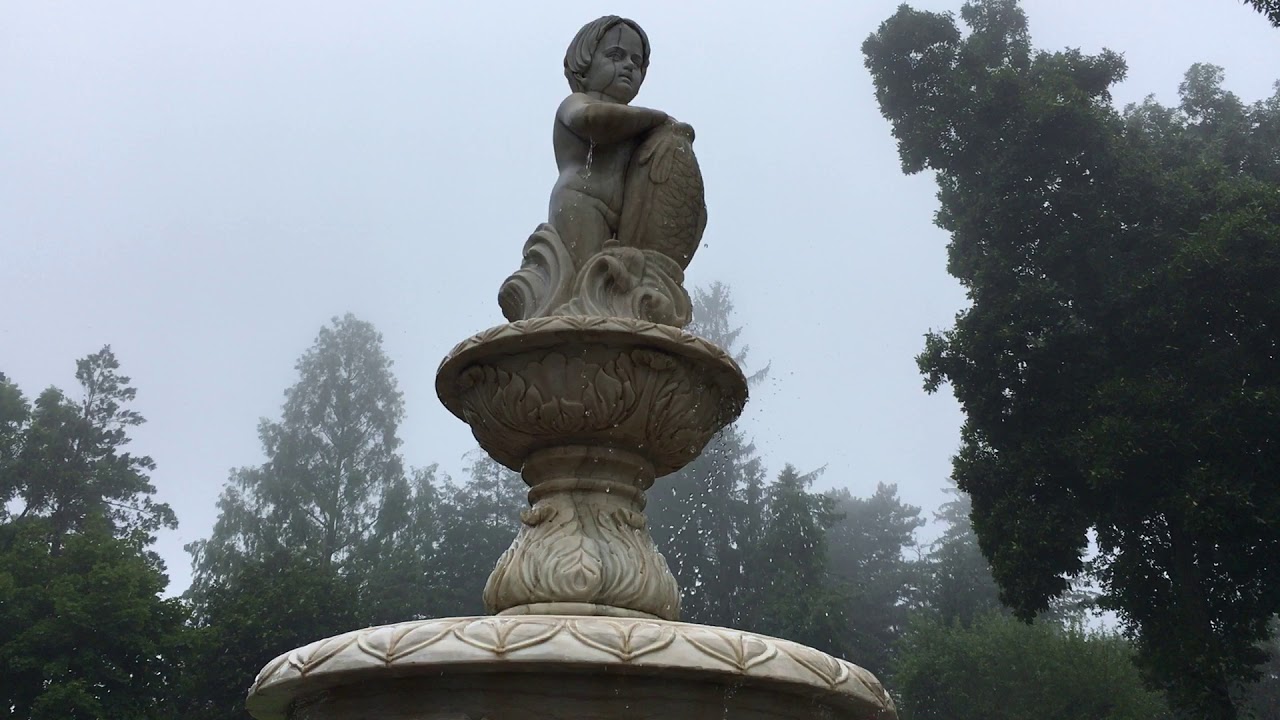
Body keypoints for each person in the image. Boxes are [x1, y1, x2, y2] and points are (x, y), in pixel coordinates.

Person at [549, 16, 670, 267]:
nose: (628, 65)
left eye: (636, 61)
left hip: (628, 220)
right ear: (583, 64)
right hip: (581, 202)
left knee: (618, 290)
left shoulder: (638, 126)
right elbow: (591, 120)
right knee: (586, 286)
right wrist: (659, 118)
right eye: (616, 55)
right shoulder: (578, 102)